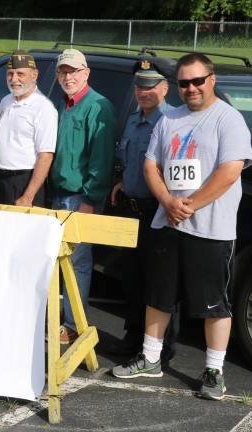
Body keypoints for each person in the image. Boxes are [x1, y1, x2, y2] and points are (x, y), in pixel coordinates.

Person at [112, 53, 252, 401]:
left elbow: (230, 171)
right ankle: (150, 358)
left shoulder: (228, 120)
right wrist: (169, 203)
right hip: (168, 222)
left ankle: (214, 371)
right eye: (184, 83)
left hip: (210, 229)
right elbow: (150, 166)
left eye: (197, 81)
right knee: (158, 296)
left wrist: (190, 205)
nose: (190, 88)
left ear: (211, 79)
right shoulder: (170, 118)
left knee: (214, 305)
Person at [108, 61, 177, 358]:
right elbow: (132, 158)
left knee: (159, 281)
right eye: (139, 86)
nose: (143, 92)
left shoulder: (172, 121)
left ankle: (163, 345)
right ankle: (135, 335)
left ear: (164, 88)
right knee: (132, 278)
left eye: (150, 86)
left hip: (157, 212)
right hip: (131, 208)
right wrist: (123, 181)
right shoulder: (134, 120)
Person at [49, 48, 117, 344]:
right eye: (63, 72)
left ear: (86, 73)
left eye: (74, 71)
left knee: (78, 263)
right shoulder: (61, 104)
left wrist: (90, 201)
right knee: (57, 261)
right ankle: (58, 319)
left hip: (81, 198)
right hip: (58, 195)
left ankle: (74, 325)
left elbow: (101, 161)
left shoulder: (97, 105)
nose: (68, 77)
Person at [0, 50, 57, 207]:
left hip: (23, 183)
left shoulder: (43, 108)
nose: (14, 79)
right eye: (10, 74)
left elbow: (45, 156)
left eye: (20, 74)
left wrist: (28, 196)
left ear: (34, 75)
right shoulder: (6, 101)